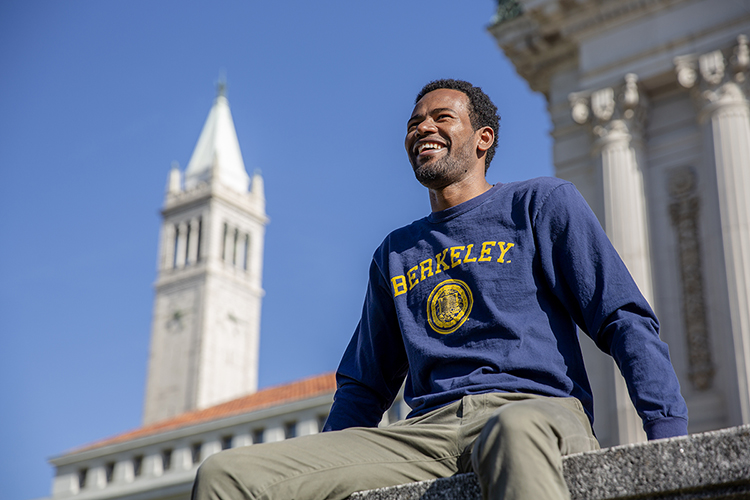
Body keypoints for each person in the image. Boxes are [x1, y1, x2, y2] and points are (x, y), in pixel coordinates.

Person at [192, 79, 688, 500]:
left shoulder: (540, 204)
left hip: (534, 412)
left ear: (482, 139)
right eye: (414, 123)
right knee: (226, 475)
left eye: (442, 117)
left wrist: (666, 436)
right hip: (424, 433)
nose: (423, 128)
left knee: (511, 432)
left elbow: (622, 318)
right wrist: (327, 464)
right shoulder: (395, 252)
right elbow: (365, 386)